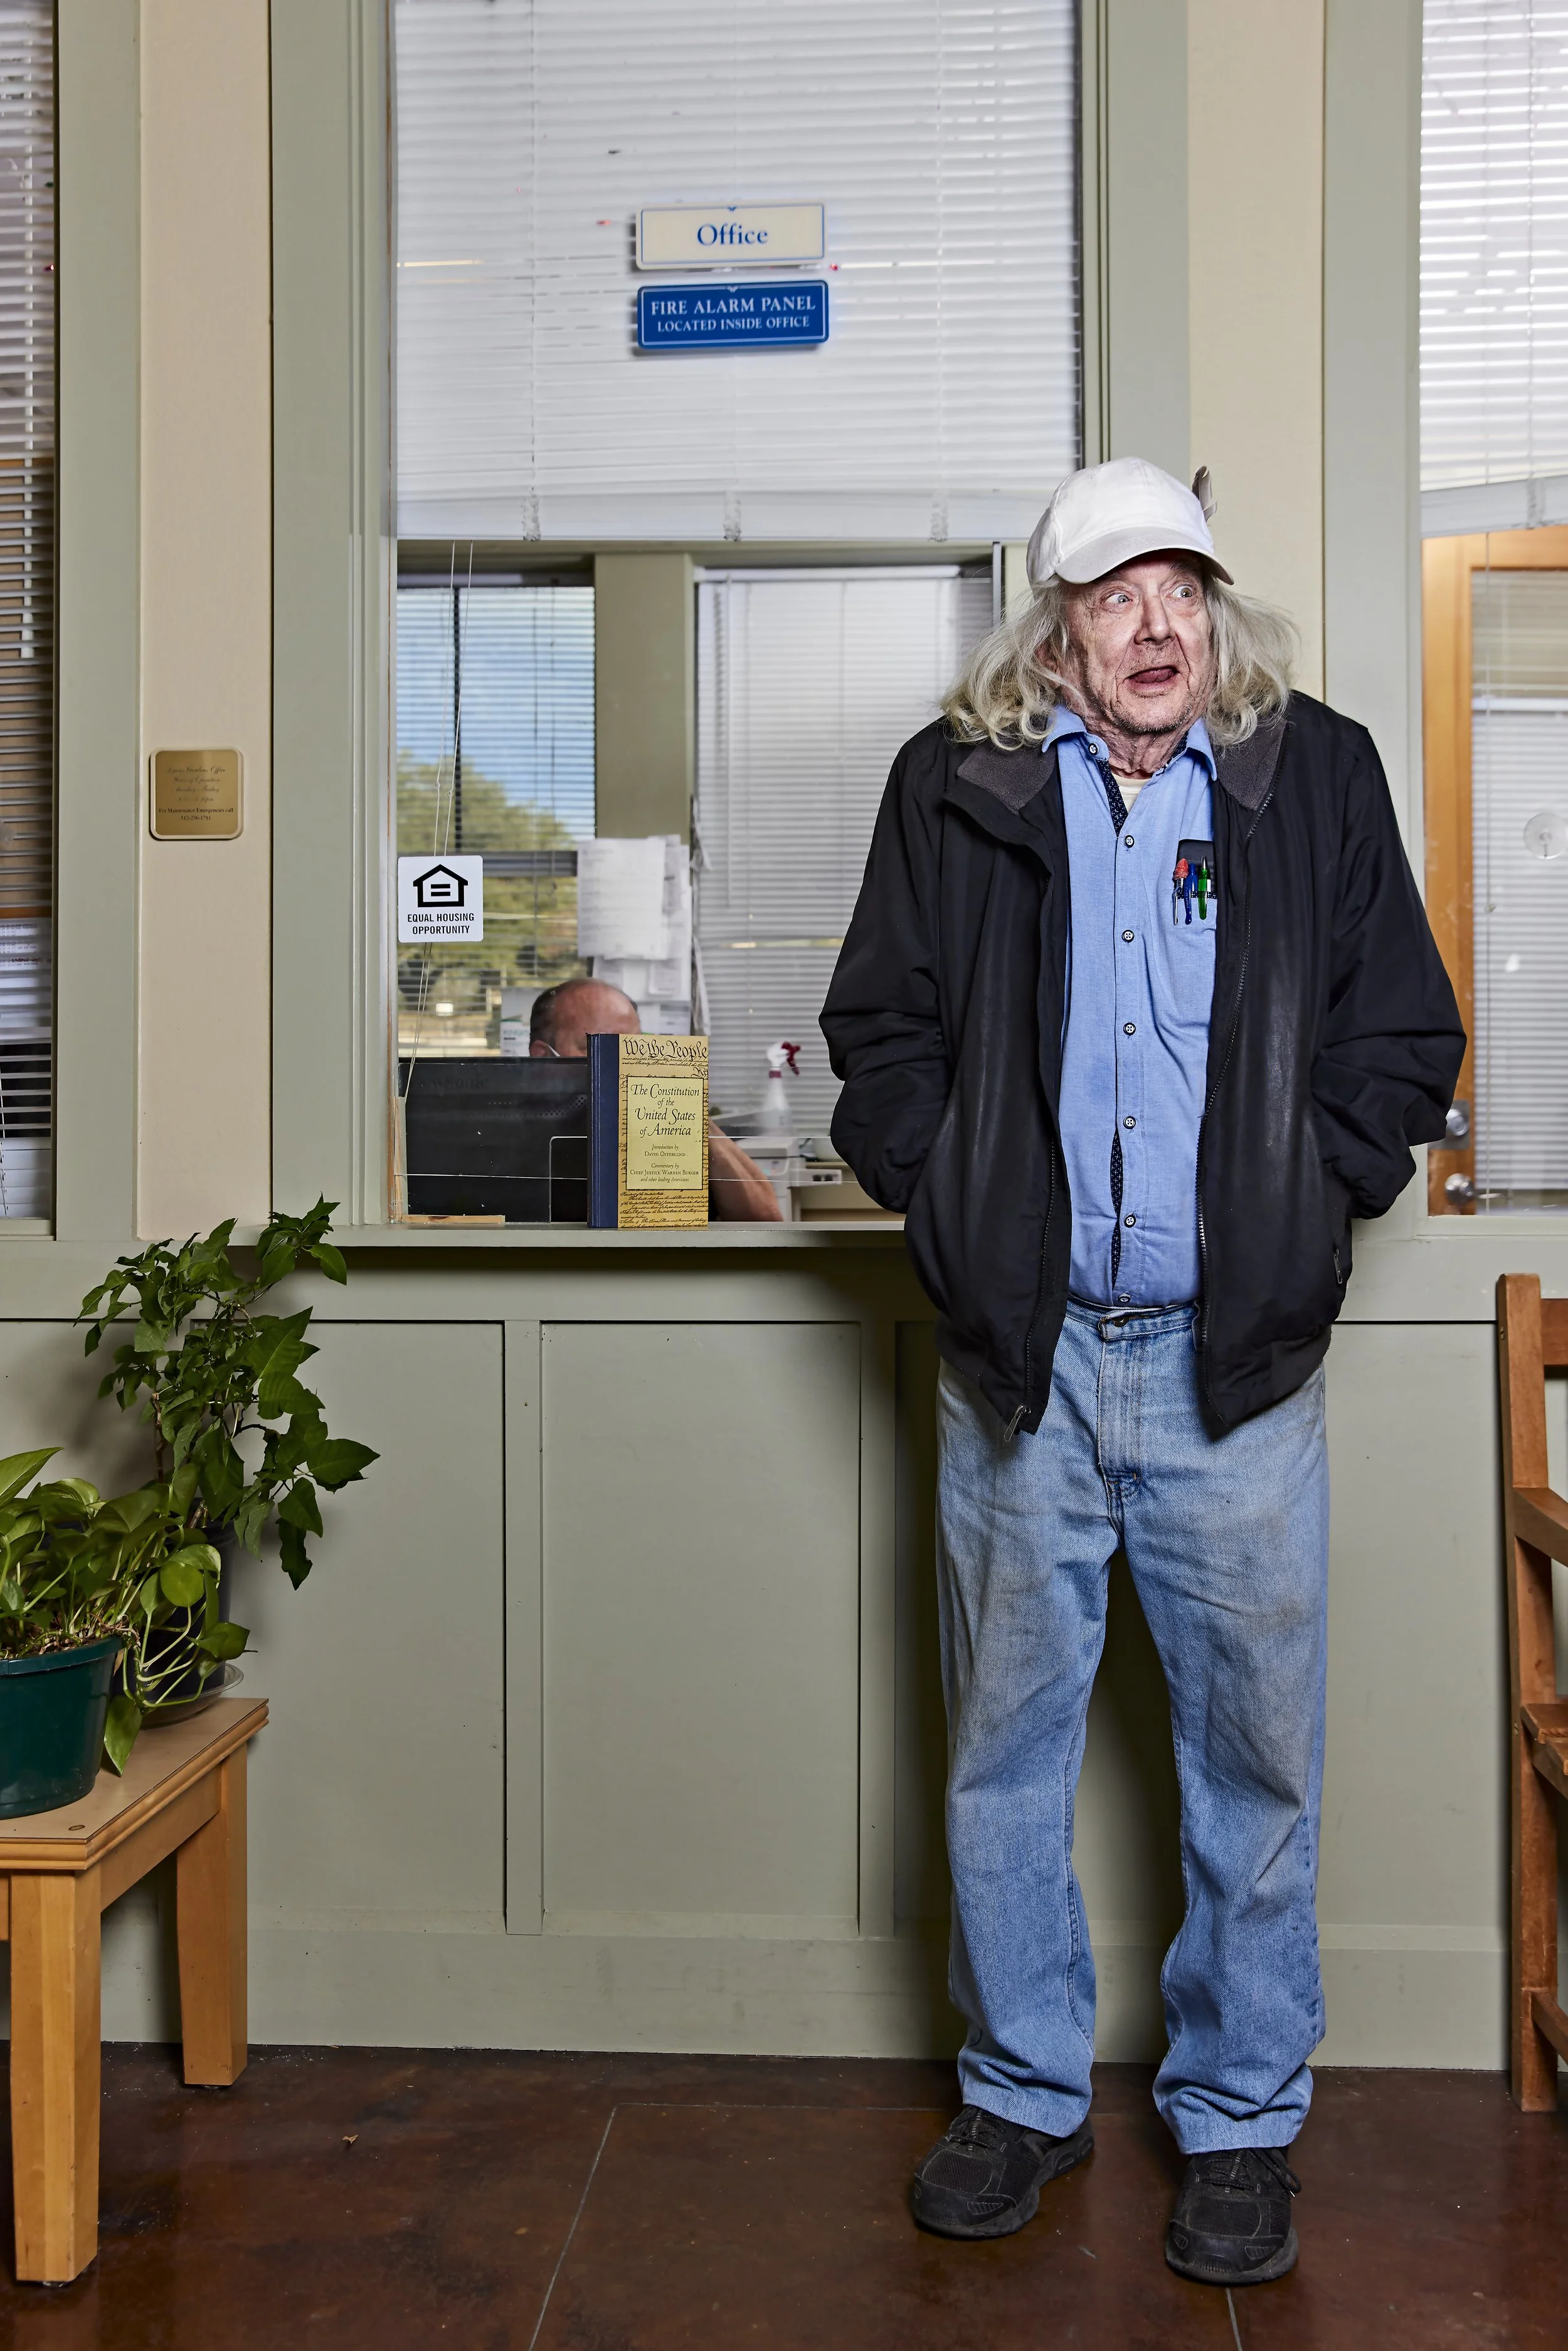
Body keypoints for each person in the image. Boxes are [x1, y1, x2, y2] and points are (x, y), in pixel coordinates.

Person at [820, 457, 1465, 2289]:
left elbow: (1397, 1034)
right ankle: (1020, 2091)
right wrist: (946, 1194)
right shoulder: (953, 786)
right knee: (1004, 1759)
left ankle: (1239, 2116)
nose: (1153, 623)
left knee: (1251, 1763)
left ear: (1215, 607)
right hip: (1022, 1367)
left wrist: (1311, 1192)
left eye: (1178, 585)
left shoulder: (1305, 773)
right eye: (1113, 594)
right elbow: (878, 1028)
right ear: (1054, 625)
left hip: (1229, 1374)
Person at [529, 976, 781, 1222]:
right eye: (599, 1048)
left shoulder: (660, 1125)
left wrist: (689, 1110)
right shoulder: (516, 1133)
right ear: (543, 1058)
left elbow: (765, 1220)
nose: (624, 1062)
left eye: (633, 1048)